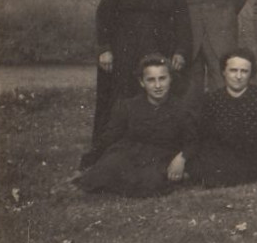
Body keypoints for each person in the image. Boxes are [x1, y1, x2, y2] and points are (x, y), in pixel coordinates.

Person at [87, 0, 190, 156]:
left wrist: (180, 51)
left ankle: (157, 151)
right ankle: (107, 152)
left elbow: (182, 16)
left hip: (160, 47)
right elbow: (104, 14)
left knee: (159, 97)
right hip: (124, 50)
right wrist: (104, 49)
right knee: (119, 100)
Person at [78, 55, 188, 197]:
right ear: (142, 82)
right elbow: (110, 136)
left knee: (150, 181)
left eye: (162, 78)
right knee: (108, 169)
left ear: (170, 79)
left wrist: (181, 157)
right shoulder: (129, 106)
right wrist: (90, 160)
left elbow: (192, 139)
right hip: (131, 153)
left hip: (162, 155)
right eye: (151, 80)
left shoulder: (181, 108)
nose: (158, 85)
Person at [179, 48, 257, 188]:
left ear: (251, 74)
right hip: (220, 154)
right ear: (224, 72)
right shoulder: (212, 99)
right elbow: (204, 135)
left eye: (244, 71)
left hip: (250, 155)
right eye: (233, 70)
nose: (238, 76)